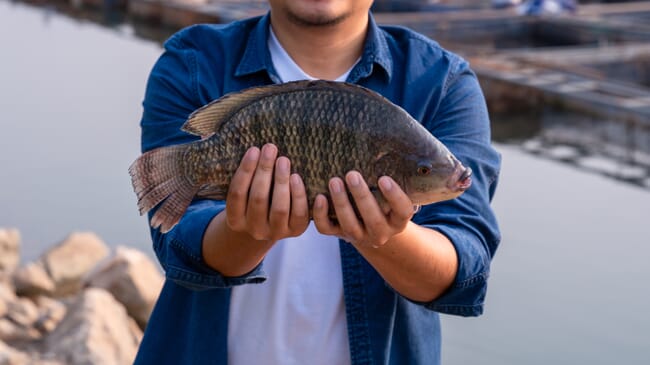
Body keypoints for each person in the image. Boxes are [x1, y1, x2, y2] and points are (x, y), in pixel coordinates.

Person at [133, 1, 501, 364]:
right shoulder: (193, 61)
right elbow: (175, 241)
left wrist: (386, 237)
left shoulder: (442, 82)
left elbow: (465, 269)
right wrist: (247, 230)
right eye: (424, 171)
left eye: (421, 171)